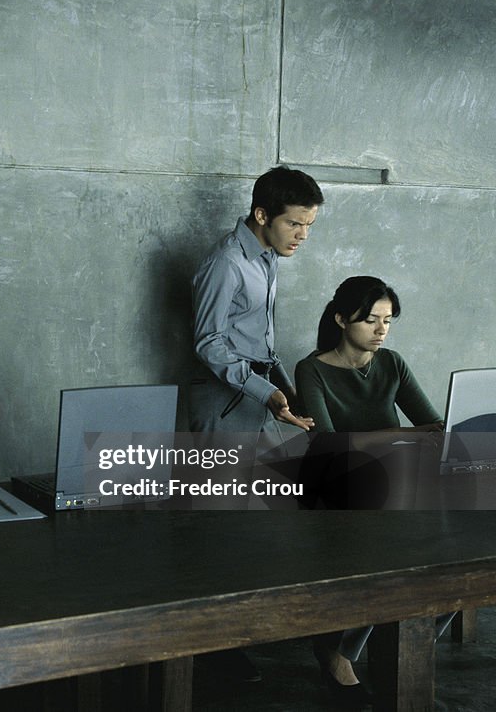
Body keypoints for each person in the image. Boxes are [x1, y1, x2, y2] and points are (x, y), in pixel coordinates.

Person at [188, 166, 323, 682]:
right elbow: (207, 343)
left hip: (256, 404)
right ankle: (208, 652)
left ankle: (233, 641)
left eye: (309, 226)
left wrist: (286, 389)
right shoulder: (225, 262)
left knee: (257, 523)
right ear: (262, 214)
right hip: (223, 410)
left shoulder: (265, 258)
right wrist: (269, 392)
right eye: (295, 224)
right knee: (219, 530)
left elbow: (260, 342)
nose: (302, 236)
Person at [295, 276, 445, 704]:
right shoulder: (313, 368)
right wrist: (403, 435)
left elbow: (430, 425)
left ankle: (403, 639)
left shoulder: (392, 362)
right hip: (335, 488)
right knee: (389, 549)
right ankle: (340, 652)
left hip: (394, 482)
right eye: (371, 320)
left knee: (457, 549)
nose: (382, 329)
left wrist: (423, 436)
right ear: (342, 319)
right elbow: (325, 444)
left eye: (389, 320)